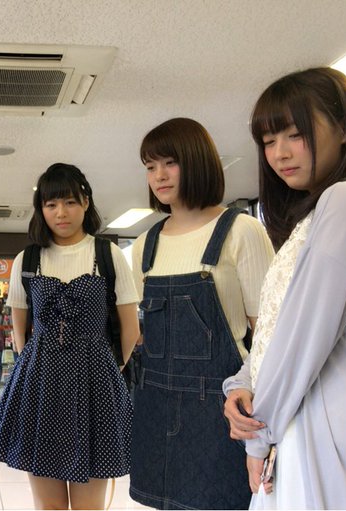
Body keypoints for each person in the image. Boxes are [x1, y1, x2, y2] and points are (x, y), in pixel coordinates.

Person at [129, 118, 274, 510]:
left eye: (170, 163)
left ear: (197, 162)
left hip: (222, 409)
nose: (158, 176)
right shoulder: (144, 244)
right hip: (156, 405)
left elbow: (270, 335)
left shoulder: (241, 230)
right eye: (150, 166)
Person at [223, 67, 346, 509]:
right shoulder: (314, 214)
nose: (279, 153)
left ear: (343, 129)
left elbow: (304, 336)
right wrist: (241, 385)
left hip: (320, 416)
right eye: (268, 141)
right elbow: (278, 325)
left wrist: (258, 435)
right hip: (298, 410)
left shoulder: (343, 201)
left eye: (296, 135)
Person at [0, 163, 140, 509]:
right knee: (48, 506)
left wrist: (107, 370)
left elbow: (131, 329)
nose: (61, 212)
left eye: (70, 202)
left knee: (89, 506)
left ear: (86, 202)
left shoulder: (108, 254)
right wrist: (34, 367)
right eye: (51, 204)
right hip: (39, 388)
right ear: (41, 209)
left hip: (97, 389)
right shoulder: (27, 259)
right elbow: (20, 331)